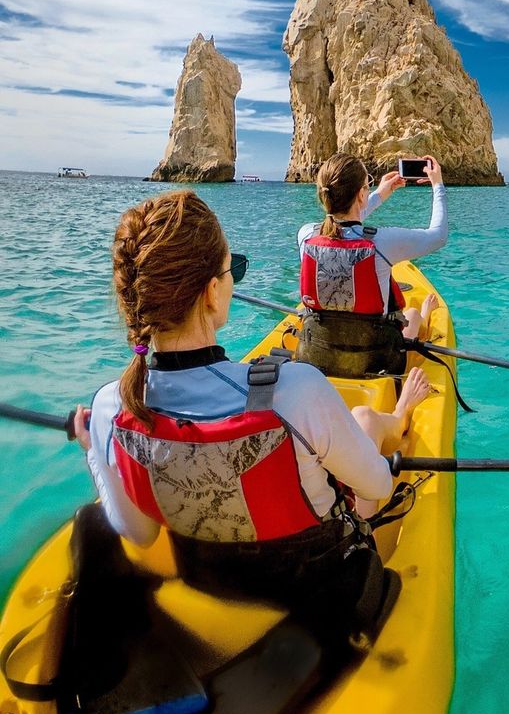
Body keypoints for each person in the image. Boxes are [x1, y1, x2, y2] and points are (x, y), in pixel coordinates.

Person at [73, 190, 431, 634]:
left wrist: (95, 452)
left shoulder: (112, 406)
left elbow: (140, 535)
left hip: (217, 588)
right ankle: (398, 415)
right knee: (363, 433)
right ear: (210, 293)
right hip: (320, 600)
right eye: (232, 269)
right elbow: (376, 481)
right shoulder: (295, 390)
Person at [295, 153, 447, 378]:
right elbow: (438, 236)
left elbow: (341, 223)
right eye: (368, 184)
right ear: (361, 194)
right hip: (377, 360)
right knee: (413, 314)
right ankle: (422, 316)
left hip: (319, 355)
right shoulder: (382, 243)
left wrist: (379, 194)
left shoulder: (306, 236)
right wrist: (438, 186)